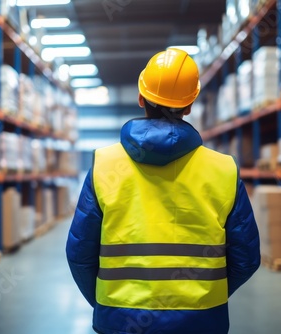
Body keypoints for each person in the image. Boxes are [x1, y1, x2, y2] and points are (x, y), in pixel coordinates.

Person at [66, 48, 260, 334]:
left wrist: (108, 307)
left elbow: (79, 253)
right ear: (190, 105)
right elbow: (246, 258)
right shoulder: (223, 169)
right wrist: (205, 301)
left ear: (141, 98)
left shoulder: (105, 165)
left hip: (120, 321)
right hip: (201, 321)